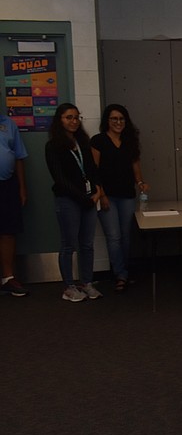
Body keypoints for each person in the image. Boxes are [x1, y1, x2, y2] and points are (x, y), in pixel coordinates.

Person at [45, 104, 104, 302]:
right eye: (69, 117)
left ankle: (86, 283)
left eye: (77, 117)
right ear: (59, 120)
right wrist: (83, 198)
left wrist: (97, 191)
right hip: (69, 200)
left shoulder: (83, 143)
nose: (74, 121)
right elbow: (60, 178)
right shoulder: (53, 146)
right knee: (68, 244)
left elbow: (92, 170)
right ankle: (69, 287)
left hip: (89, 199)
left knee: (87, 244)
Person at [91, 104, 149, 292]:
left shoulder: (130, 141)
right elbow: (94, 171)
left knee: (126, 236)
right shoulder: (98, 141)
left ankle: (123, 272)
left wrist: (141, 183)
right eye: (114, 118)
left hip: (126, 196)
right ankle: (120, 274)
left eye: (121, 118)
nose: (118, 122)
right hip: (107, 196)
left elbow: (136, 167)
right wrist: (102, 195)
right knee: (114, 236)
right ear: (107, 121)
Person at [0, 114, 29, 297]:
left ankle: (8, 278)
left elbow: (19, 157)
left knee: (8, 231)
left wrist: (22, 188)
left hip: (8, 184)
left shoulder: (8, 124)